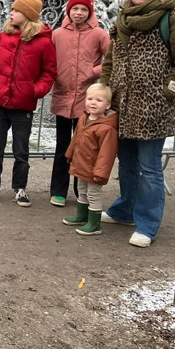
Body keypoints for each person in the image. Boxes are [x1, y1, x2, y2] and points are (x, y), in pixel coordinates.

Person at [99, 0, 175, 248]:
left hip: (154, 109)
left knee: (150, 167)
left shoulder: (172, 18)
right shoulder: (123, 20)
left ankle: (147, 223)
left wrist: (166, 94)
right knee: (127, 163)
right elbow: (110, 62)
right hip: (123, 105)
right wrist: (105, 90)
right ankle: (125, 210)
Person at [0, 0, 56, 207]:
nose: (11, 13)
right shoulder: (5, 35)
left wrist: (35, 91)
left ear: (27, 15)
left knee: (21, 149)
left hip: (23, 104)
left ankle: (20, 188)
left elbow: (49, 72)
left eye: (16, 10)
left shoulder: (43, 42)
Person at [49, 0, 110, 207]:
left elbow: (112, 59)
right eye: (75, 8)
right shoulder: (57, 34)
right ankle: (58, 191)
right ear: (69, 10)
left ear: (90, 12)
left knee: (84, 148)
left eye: (84, 9)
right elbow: (48, 59)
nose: (79, 13)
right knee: (62, 146)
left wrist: (93, 72)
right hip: (63, 97)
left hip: (87, 100)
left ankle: (80, 190)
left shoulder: (99, 34)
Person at [61, 83, 118, 235]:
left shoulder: (107, 128)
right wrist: (70, 154)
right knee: (82, 191)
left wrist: (101, 172)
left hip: (94, 169)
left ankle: (95, 224)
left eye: (99, 100)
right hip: (81, 164)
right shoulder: (83, 118)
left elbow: (107, 153)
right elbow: (76, 138)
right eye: (90, 99)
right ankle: (82, 215)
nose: (93, 103)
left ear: (108, 105)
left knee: (93, 194)